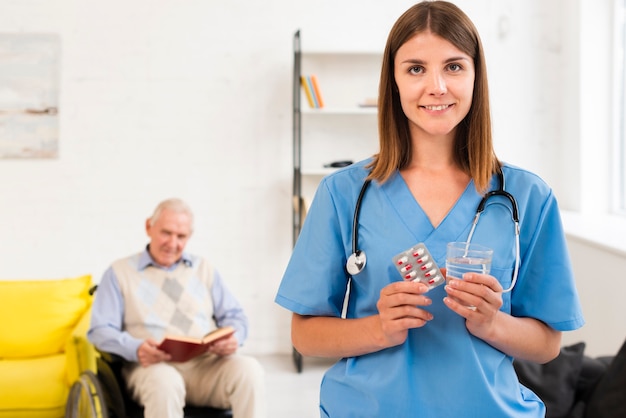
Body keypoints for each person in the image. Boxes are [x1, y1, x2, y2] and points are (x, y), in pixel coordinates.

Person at [275, 1, 585, 417]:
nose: (436, 86)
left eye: (454, 67)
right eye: (416, 68)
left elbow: (548, 344)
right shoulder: (344, 193)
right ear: (395, 81)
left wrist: (492, 323)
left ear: (476, 76)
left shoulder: (528, 197)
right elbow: (305, 335)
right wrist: (379, 328)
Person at [89, 198, 266, 418]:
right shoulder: (119, 273)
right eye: (166, 233)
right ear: (148, 227)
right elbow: (99, 330)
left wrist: (234, 339)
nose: (173, 243)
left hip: (204, 366)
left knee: (249, 370)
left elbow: (235, 316)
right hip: (151, 368)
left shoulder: (204, 269)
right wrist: (135, 348)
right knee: (165, 383)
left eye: (181, 236)